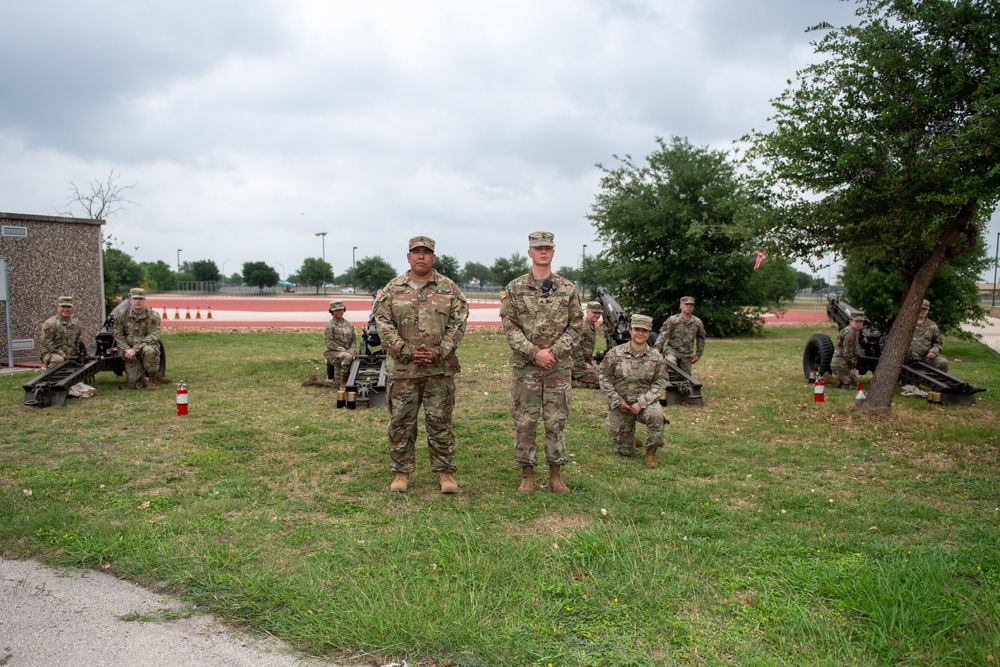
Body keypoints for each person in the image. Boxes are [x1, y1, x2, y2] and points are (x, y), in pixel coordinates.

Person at [374, 236, 469, 494]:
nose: (421, 256)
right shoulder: (393, 289)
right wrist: (406, 352)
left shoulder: (449, 289)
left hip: (439, 370)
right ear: (408, 257)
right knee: (401, 422)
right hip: (403, 371)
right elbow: (382, 323)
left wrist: (439, 352)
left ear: (433, 258)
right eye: (416, 252)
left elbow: (458, 323)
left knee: (440, 421)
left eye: (426, 252)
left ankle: (445, 473)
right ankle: (401, 473)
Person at [500, 231, 582, 495]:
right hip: (526, 368)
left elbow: (577, 325)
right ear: (530, 252)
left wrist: (554, 352)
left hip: (557, 368)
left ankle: (555, 475)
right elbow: (509, 326)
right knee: (525, 420)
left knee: (556, 420)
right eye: (538, 248)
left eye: (547, 247)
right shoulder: (515, 289)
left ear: (553, 252)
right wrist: (534, 352)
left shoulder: (567, 288)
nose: (543, 252)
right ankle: (527, 474)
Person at [598, 314, 669, 468]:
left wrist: (642, 402)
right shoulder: (615, 353)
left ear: (649, 333)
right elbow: (604, 377)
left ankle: (650, 453)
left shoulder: (656, 358)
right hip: (621, 404)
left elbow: (660, 383)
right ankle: (629, 439)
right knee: (625, 452)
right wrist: (617, 401)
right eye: (637, 329)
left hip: (644, 403)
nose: (640, 333)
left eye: (645, 330)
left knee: (657, 416)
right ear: (630, 330)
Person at [113, 288, 162, 390]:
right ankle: (141, 377)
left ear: (145, 300)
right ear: (130, 300)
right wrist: (127, 349)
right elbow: (118, 335)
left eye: (140, 298)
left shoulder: (153, 316)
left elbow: (153, 336)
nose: (138, 301)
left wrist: (135, 349)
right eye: (135, 298)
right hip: (129, 350)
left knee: (149, 350)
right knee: (133, 384)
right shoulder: (122, 315)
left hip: (146, 347)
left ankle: (152, 378)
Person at [655, 296, 706, 375]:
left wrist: (698, 354)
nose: (689, 307)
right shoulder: (673, 320)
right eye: (686, 304)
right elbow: (663, 334)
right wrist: (657, 348)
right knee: (670, 368)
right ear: (681, 306)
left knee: (686, 377)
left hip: (687, 354)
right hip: (672, 351)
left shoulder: (697, 322)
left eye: (691, 305)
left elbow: (701, 339)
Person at [40, 296, 83, 368]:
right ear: (57, 308)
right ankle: (50, 373)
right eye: (63, 306)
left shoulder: (76, 324)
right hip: (52, 354)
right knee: (60, 360)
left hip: (70, 354)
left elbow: (77, 342)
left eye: (68, 307)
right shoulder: (50, 323)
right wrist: (61, 353)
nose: (66, 309)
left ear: (72, 309)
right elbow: (46, 342)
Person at [908, 299, 949, 372]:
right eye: (920, 308)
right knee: (911, 383)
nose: (922, 311)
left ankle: (936, 383)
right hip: (906, 358)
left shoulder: (932, 326)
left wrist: (933, 352)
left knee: (943, 362)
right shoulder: (907, 322)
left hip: (924, 358)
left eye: (925, 309)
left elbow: (938, 343)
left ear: (928, 310)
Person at [323, 300, 356, 390]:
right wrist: (345, 351)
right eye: (336, 310)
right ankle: (343, 384)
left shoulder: (349, 324)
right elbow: (329, 343)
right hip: (333, 352)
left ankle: (317, 382)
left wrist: (352, 350)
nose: (339, 312)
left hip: (347, 352)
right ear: (332, 312)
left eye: (341, 310)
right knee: (348, 357)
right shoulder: (329, 325)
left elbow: (353, 340)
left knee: (337, 381)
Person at [829, 311, 865, 388]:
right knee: (851, 386)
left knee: (854, 383)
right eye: (857, 321)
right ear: (851, 321)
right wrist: (852, 367)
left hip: (843, 363)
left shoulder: (853, 331)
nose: (859, 323)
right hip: (841, 364)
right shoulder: (850, 334)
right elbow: (847, 353)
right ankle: (830, 380)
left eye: (861, 321)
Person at [571, 302, 602, 389]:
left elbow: (585, 348)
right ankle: (572, 382)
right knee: (601, 382)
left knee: (604, 377)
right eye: (594, 312)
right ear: (587, 311)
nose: (597, 315)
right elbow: (574, 348)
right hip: (576, 364)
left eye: (599, 313)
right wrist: (584, 364)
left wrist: (590, 362)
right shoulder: (583, 326)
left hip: (582, 362)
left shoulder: (591, 325)